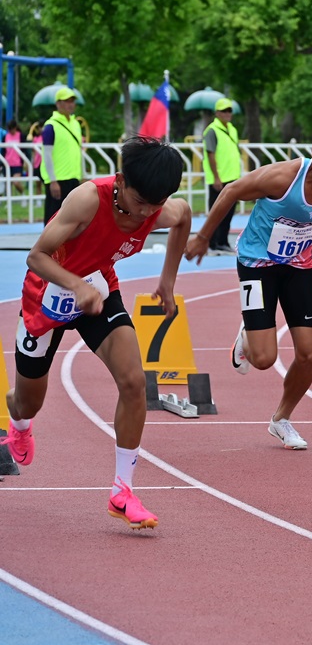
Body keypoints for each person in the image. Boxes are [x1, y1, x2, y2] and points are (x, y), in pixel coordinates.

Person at [2, 137, 190, 529]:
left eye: (155, 206)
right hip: (47, 294)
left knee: (134, 382)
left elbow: (184, 216)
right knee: (28, 403)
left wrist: (167, 281)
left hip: (100, 291)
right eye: (139, 202)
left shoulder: (161, 209)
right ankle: (17, 424)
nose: (145, 214)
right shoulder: (87, 200)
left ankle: (123, 491)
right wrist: (75, 285)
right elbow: (35, 257)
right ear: (120, 181)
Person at [184, 114, 312, 451]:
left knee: (309, 354)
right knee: (264, 359)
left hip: (299, 264)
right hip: (257, 262)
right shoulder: (283, 178)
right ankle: (248, 334)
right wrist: (204, 236)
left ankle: (281, 419)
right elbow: (232, 191)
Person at [40, 87, 85, 226]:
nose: (71, 104)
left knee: (73, 217)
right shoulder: (50, 126)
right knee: (53, 217)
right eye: (67, 101)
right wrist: (52, 181)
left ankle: (67, 247)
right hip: (58, 179)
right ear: (58, 103)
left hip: (73, 178)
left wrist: (83, 175)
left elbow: (79, 151)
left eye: (72, 101)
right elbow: (46, 154)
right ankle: (48, 247)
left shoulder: (76, 124)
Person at [202, 98, 242, 254]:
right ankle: (211, 242)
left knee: (229, 211)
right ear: (217, 113)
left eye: (229, 110)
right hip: (219, 179)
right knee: (216, 211)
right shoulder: (211, 130)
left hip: (232, 177)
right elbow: (210, 154)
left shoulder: (232, 129)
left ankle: (222, 241)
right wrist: (216, 177)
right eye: (224, 111)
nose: (227, 114)